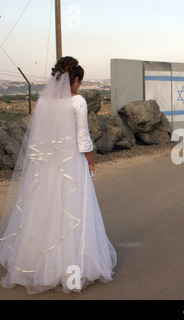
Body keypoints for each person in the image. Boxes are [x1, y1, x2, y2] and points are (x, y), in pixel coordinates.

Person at [0, 56, 117, 294]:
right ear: (74, 80)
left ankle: (35, 265)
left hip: (48, 162)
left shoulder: (44, 101)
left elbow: (39, 136)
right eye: (79, 82)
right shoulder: (77, 102)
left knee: (44, 208)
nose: (79, 86)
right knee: (73, 208)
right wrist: (91, 163)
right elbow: (83, 137)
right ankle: (74, 267)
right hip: (71, 161)